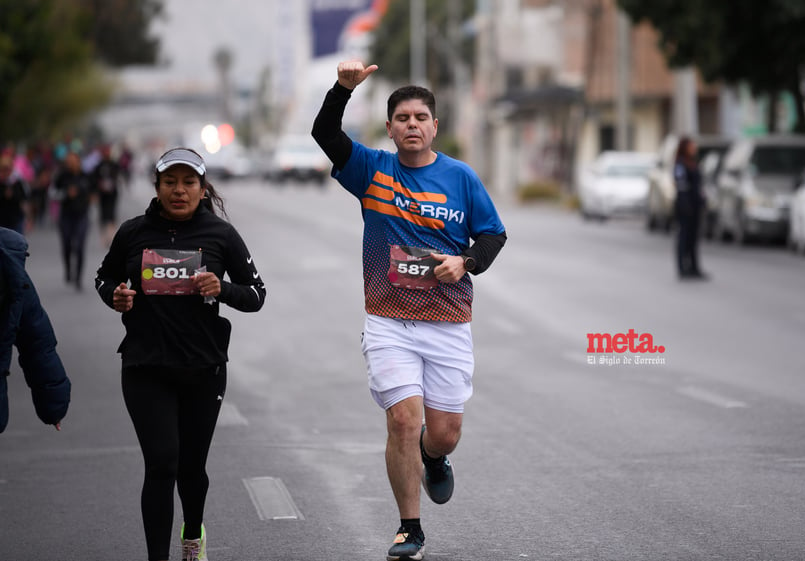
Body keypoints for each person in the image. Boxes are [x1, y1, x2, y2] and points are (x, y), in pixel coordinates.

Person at [312, 61, 507, 561]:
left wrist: (464, 262)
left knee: (443, 433)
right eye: (402, 118)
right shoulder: (371, 170)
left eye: (421, 116)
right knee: (402, 419)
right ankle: (409, 529)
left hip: (447, 322)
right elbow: (324, 133)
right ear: (390, 127)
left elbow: (493, 235)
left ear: (434, 126)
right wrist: (342, 89)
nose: (412, 125)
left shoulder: (460, 177)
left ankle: (432, 457)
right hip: (388, 320)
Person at [94, 147, 266, 561]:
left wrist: (221, 289)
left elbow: (257, 295)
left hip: (202, 369)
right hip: (145, 365)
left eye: (189, 182)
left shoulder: (221, 235)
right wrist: (115, 296)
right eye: (170, 182)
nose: (179, 191)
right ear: (156, 187)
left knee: (190, 470)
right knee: (161, 464)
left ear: (202, 188)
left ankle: (193, 533)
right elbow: (105, 277)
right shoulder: (133, 232)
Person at [1, 226, 71, 433]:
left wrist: (53, 405)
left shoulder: (7, 261)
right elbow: (36, 340)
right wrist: (53, 405)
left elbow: (36, 339)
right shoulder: (7, 259)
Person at [53, 152, 93, 289]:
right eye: (68, 162)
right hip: (66, 216)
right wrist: (65, 194)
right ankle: (68, 269)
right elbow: (52, 193)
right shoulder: (62, 176)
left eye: (73, 162)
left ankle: (78, 278)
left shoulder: (85, 176)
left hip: (82, 216)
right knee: (67, 245)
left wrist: (91, 197)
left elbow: (93, 190)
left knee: (80, 246)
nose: (70, 164)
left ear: (78, 162)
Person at [674, 136, 708, 280]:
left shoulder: (693, 163)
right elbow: (680, 184)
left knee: (694, 237)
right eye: (691, 146)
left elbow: (698, 185)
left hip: (695, 204)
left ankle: (694, 267)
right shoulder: (680, 164)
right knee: (684, 236)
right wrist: (685, 203)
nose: (694, 148)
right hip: (684, 205)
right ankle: (682, 267)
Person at [92, 143, 122, 247]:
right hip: (102, 194)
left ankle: (111, 236)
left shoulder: (114, 164)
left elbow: (118, 175)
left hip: (112, 193)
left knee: (112, 213)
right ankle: (104, 236)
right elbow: (94, 179)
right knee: (103, 215)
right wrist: (98, 187)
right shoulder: (99, 166)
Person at [0, 154, 29, 234]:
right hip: (2, 220)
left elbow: (24, 197)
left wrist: (13, 195)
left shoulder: (17, 182)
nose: (6, 172)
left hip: (16, 219)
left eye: (8, 169)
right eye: (4, 169)